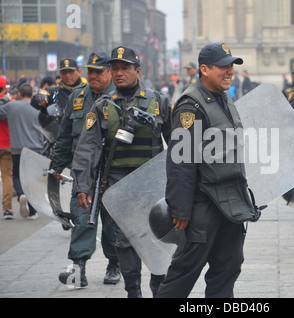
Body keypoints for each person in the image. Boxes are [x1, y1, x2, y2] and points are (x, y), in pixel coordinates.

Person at [156, 42, 258, 298]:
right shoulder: (191, 106)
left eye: (231, 66)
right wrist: (180, 208)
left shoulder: (224, 98)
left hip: (230, 203)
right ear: (204, 69)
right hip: (204, 203)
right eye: (223, 67)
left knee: (229, 266)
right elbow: (181, 160)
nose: (230, 72)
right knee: (185, 270)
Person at [71, 46, 172, 298]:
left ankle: (159, 287)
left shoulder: (159, 102)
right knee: (125, 241)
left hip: (153, 185)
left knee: (156, 238)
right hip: (118, 185)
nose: (118, 73)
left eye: (125, 68)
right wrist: (82, 186)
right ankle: (133, 291)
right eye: (114, 68)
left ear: (137, 71)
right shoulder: (102, 106)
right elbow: (87, 150)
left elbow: (178, 146)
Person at [50, 52, 119, 288]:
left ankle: (114, 264)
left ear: (109, 72)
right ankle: (78, 268)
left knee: (112, 222)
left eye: (99, 71)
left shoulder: (120, 97)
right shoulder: (78, 97)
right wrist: (56, 166)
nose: (93, 76)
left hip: (112, 170)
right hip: (83, 169)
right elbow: (66, 135)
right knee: (81, 218)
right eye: (90, 71)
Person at [0, 84, 45, 220]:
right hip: (36, 148)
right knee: (32, 179)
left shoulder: (11, 106)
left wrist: (6, 99)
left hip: (17, 148)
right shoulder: (38, 108)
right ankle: (32, 212)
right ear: (32, 94)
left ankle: (20, 195)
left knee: (17, 176)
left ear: (19, 94)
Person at [0, 76, 13, 219]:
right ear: (4, 88)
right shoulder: (10, 103)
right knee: (7, 176)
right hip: (7, 144)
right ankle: (7, 207)